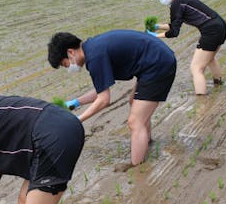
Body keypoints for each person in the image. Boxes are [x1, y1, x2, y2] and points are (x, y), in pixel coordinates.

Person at [47, 30, 177, 169]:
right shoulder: (92, 48)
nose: (67, 68)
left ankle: (136, 166)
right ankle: (145, 141)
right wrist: (75, 102)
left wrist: (78, 120)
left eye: (64, 64)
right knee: (134, 102)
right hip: (153, 61)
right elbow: (100, 90)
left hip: (157, 64)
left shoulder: (95, 57)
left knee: (135, 121)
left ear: (70, 52)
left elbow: (104, 100)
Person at [148, 0, 226, 95]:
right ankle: (219, 83)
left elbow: (174, 32)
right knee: (209, 58)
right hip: (220, 26)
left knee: (196, 68)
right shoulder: (181, 1)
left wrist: (155, 36)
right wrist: (158, 27)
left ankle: (201, 101)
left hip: (211, 31)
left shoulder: (177, 4)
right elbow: (174, 25)